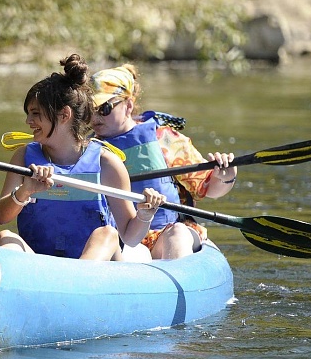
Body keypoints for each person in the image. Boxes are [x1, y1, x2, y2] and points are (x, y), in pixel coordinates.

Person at [0, 54, 166, 262]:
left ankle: (74, 284)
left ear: (64, 115)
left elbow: (130, 237)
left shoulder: (107, 163)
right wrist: (25, 190)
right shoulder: (23, 157)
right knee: (6, 238)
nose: (28, 121)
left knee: (108, 234)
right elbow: (1, 218)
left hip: (93, 269)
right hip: (41, 265)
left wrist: (145, 215)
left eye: (36, 113)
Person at [89, 64, 238, 259]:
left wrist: (225, 176)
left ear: (128, 106)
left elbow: (209, 188)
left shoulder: (163, 139)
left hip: (165, 232)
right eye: (89, 109)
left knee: (178, 233)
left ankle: (182, 282)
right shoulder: (87, 149)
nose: (96, 116)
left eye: (104, 108)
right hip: (122, 239)